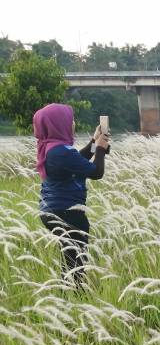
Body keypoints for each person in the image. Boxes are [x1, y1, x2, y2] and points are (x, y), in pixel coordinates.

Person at [33, 103, 110, 288]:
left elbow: (78, 161)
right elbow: (96, 172)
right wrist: (100, 149)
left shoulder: (53, 148)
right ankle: (75, 297)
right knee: (76, 261)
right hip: (67, 212)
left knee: (70, 259)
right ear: (59, 124)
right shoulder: (60, 152)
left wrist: (94, 142)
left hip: (54, 210)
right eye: (70, 119)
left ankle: (65, 297)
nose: (73, 123)